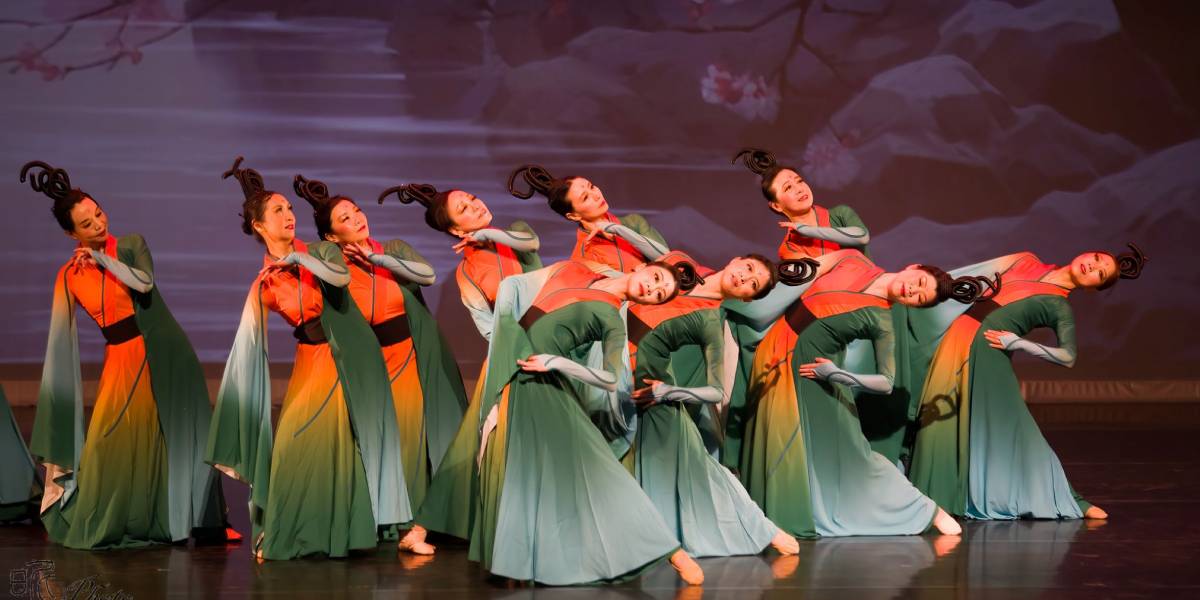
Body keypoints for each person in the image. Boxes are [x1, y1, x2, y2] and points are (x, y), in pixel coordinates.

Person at [21, 159, 230, 549]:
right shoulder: (69, 275)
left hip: (162, 350)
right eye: (86, 224)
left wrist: (100, 257)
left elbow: (144, 284)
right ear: (71, 233)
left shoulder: (129, 245)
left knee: (177, 435)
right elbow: (60, 336)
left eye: (98, 214)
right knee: (108, 440)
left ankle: (194, 520)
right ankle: (117, 519)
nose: (99, 224)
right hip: (120, 358)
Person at [208, 157, 409, 559]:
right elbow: (252, 335)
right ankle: (285, 529)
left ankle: (351, 532)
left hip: (349, 355)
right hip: (311, 360)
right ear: (258, 226)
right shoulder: (266, 280)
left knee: (344, 443)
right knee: (292, 443)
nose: (288, 216)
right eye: (277, 211)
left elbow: (339, 278)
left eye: (289, 208)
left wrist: (298, 260)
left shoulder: (320, 251)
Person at [908, 246, 1146, 520]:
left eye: (1100, 273)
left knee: (1014, 425)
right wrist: (923, 282)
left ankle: (1067, 498)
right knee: (938, 420)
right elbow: (966, 277)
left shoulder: (1059, 305)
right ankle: (930, 499)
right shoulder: (1025, 260)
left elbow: (1068, 357)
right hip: (956, 341)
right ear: (1086, 253)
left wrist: (1018, 343)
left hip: (988, 354)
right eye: (1095, 259)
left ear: (1094, 288)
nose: (1092, 267)